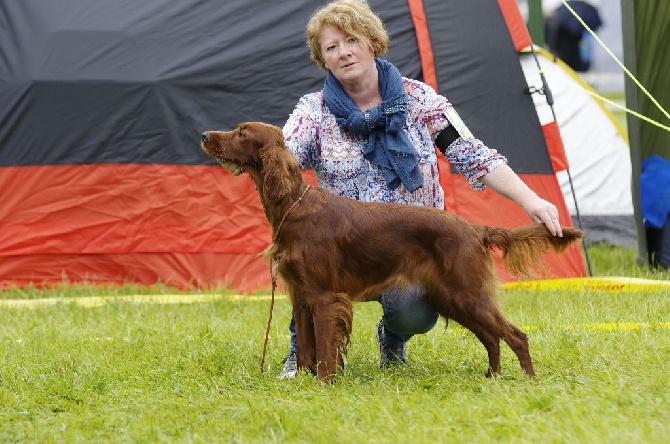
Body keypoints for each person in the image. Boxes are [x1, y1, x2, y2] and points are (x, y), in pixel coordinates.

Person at [224, 0, 564, 379]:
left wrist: (529, 198)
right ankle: (301, 352)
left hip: (413, 247)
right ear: (323, 60)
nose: (343, 52)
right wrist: (247, 153)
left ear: (372, 42)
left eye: (351, 40)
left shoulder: (420, 100)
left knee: (413, 311)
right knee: (308, 264)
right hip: (345, 247)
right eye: (331, 47)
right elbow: (285, 155)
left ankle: (394, 337)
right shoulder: (313, 111)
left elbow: (472, 153)